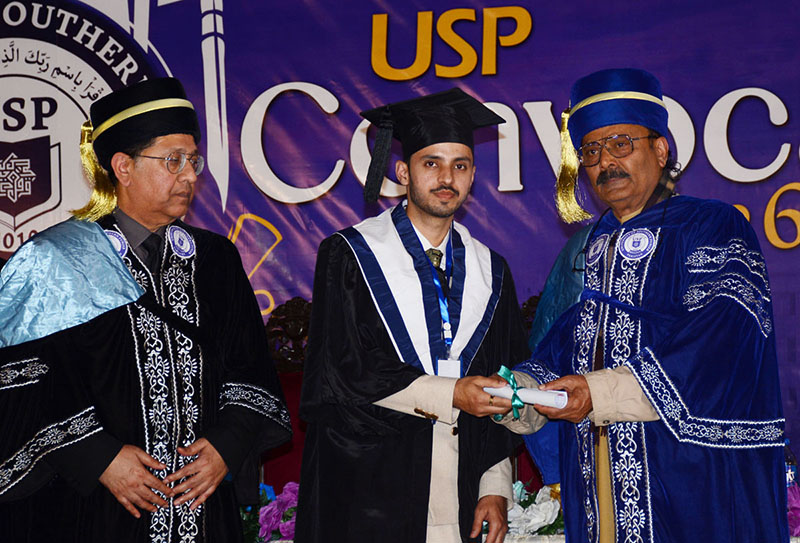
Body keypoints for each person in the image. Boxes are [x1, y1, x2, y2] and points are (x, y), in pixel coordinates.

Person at [494, 68, 789, 542]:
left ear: (661, 149)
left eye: (620, 143)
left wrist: (601, 392)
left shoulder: (711, 225)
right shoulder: (594, 246)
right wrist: (520, 390)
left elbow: (722, 340)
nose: (604, 161)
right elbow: (575, 341)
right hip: (601, 483)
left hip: (697, 484)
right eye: (590, 150)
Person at [0, 78, 292, 543]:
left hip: (201, 505)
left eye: (193, 160)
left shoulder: (215, 259)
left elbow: (250, 370)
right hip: (94, 506)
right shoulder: (55, 260)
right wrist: (99, 456)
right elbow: (20, 383)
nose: (191, 175)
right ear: (123, 166)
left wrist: (224, 447)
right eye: (172, 160)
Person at [296, 88, 529, 543]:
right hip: (369, 498)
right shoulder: (350, 256)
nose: (447, 177)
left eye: (460, 165)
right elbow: (342, 374)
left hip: (461, 498)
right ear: (403, 171)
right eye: (431, 164)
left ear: (473, 175)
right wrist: (451, 395)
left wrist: (496, 487)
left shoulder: (490, 270)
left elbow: (507, 383)